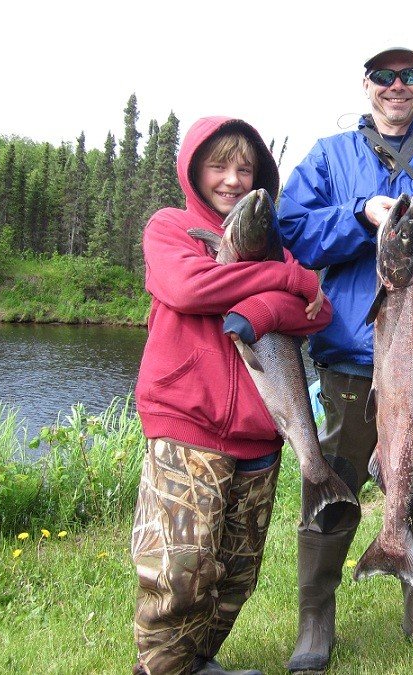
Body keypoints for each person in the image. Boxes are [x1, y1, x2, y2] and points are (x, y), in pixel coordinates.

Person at [277, 45, 413, 672]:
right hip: (351, 357)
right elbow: (294, 228)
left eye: (410, 75)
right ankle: (315, 620)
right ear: (367, 84)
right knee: (332, 485)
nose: (397, 86)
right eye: (385, 76)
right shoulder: (329, 157)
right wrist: (356, 216)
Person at [131, 116, 332, 675]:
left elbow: (320, 312)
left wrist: (275, 294)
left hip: (262, 432)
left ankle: (199, 661)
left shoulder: (274, 246)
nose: (232, 180)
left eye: (245, 168)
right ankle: (163, 669)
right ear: (195, 170)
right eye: (219, 165)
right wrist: (286, 282)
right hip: (187, 424)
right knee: (178, 568)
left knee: (235, 570)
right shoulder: (171, 228)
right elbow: (189, 287)